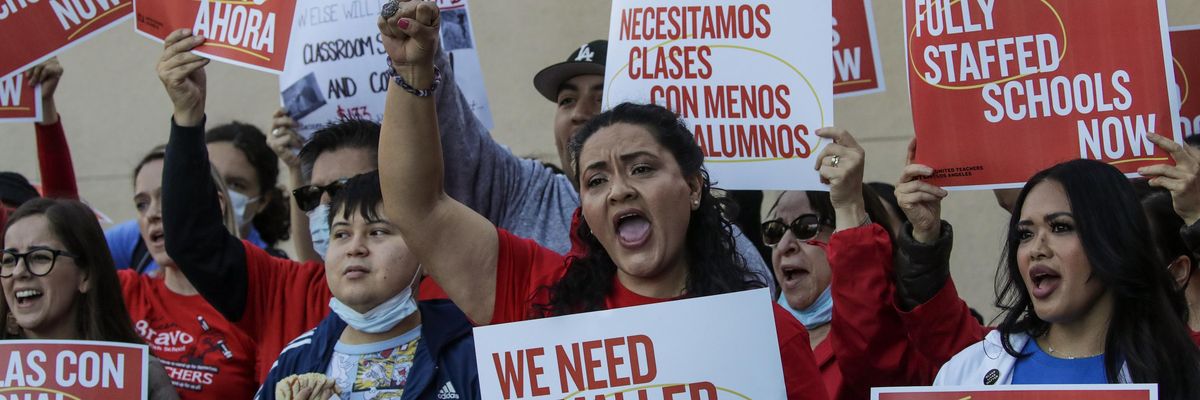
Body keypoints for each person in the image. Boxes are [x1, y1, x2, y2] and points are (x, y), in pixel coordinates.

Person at [374, 4, 825, 398]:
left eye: (641, 168)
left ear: (692, 187)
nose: (619, 190)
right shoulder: (542, 299)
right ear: (584, 209)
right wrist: (412, 73)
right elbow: (417, 208)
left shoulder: (766, 335)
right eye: (596, 180)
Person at [158, 30, 479, 398]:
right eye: (316, 195)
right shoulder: (284, 292)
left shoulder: (465, 310)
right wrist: (187, 116)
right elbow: (193, 242)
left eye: (348, 190)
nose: (330, 208)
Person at [256, 172, 478, 400]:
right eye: (341, 234)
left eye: (377, 232)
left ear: (427, 253)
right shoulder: (296, 359)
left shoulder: (473, 352)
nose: (354, 248)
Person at [2, 199, 178, 399]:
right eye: (9, 260)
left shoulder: (140, 375)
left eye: (40, 257)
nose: (18, 272)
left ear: (86, 274)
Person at [205, 122, 291, 256]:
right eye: (208, 178)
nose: (218, 192)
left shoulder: (273, 267)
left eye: (235, 184)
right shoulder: (169, 253)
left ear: (263, 201)